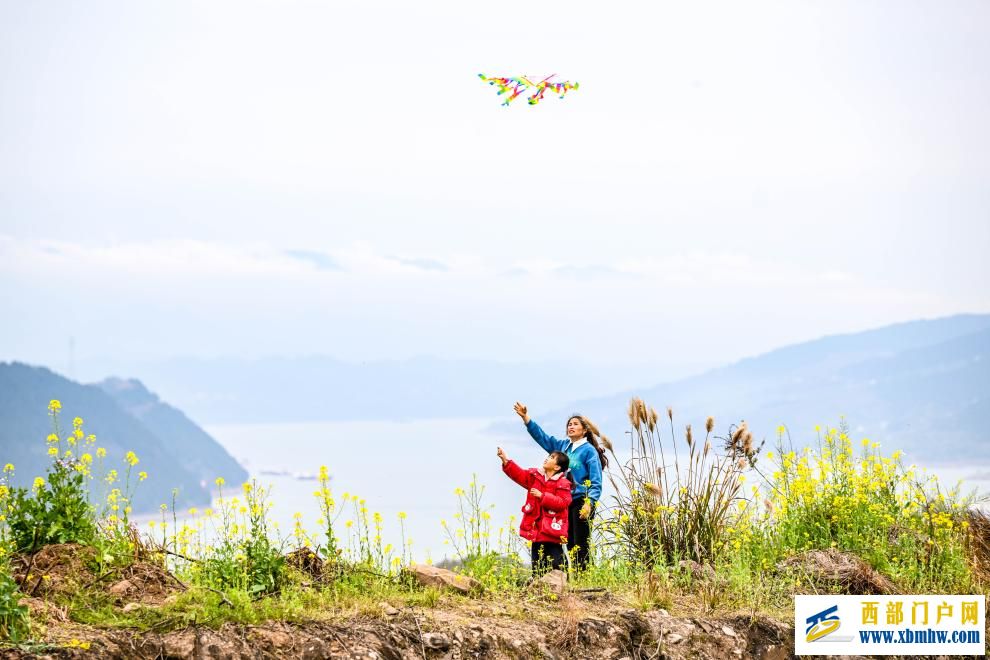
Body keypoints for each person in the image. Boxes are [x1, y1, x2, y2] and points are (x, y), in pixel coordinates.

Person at [513, 401, 606, 571]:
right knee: (568, 542)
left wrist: (590, 502)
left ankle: (584, 576)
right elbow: (543, 438)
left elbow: (596, 480)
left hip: (581, 501)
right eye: (569, 424)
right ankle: (570, 577)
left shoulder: (589, 451)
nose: (571, 426)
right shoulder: (563, 446)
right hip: (563, 501)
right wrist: (526, 418)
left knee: (581, 542)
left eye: (575, 424)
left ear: (584, 430)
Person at [496, 445, 572, 576]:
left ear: (557, 467)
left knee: (556, 561)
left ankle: (562, 585)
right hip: (536, 529)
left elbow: (563, 503)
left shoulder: (562, 483)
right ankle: (538, 585)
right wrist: (506, 461)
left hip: (552, 530)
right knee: (537, 562)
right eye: (549, 456)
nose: (547, 458)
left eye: (552, 457)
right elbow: (520, 475)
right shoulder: (536, 477)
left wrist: (542, 496)